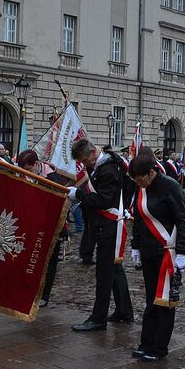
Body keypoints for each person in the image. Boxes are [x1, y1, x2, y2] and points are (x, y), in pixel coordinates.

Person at [129, 154, 185, 362]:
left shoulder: (170, 187)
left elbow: (183, 221)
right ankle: (146, 343)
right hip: (148, 251)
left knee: (164, 302)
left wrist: (182, 252)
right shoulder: (141, 188)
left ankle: (159, 347)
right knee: (150, 300)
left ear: (152, 172)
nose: (139, 183)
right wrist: (135, 246)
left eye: (141, 179)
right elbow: (139, 219)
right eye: (136, 180)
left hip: (167, 252)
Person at [67, 139, 134, 332]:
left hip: (108, 224)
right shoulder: (104, 165)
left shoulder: (108, 170)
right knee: (115, 270)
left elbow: (103, 200)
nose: (84, 165)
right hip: (106, 224)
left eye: (85, 161)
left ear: (93, 154)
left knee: (104, 273)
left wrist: (77, 194)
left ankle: (98, 318)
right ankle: (124, 311)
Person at [16, 150, 67, 307]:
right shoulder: (25, 174)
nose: (25, 172)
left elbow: (61, 201)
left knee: (49, 262)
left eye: (28, 169)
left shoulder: (51, 177)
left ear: (35, 164)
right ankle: (31, 291)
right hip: (34, 224)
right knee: (32, 259)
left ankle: (45, 294)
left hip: (51, 226)